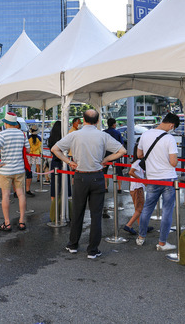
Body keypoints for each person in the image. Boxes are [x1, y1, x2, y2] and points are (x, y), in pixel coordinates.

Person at [52, 109, 126, 259]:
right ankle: (92, 250)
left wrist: (69, 162)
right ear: (98, 121)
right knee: (96, 215)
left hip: (80, 176)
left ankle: (73, 245)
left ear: (83, 120)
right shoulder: (103, 135)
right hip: (97, 177)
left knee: (78, 212)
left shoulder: (74, 135)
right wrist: (106, 160)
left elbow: (55, 149)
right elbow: (122, 150)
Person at [135, 112, 180, 251]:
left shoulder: (145, 135)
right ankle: (162, 243)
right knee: (167, 210)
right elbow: (173, 163)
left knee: (147, 208)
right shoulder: (169, 139)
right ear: (171, 125)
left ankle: (141, 237)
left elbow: (139, 155)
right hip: (168, 179)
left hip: (152, 178)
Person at [0, 112, 28, 232]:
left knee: (5, 196)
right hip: (19, 169)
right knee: (21, 194)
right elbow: (27, 149)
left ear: (6, 123)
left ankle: (7, 223)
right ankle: (22, 221)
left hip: (6, 169)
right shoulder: (22, 134)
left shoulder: (2, 134)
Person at [123, 146, 147, 235]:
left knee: (138, 208)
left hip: (136, 188)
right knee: (139, 209)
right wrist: (142, 180)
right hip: (138, 188)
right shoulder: (138, 162)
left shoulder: (136, 162)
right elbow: (131, 172)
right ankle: (129, 225)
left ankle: (142, 226)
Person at [47, 121, 71, 203]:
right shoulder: (64, 139)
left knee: (54, 184)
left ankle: (54, 206)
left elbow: (51, 151)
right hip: (64, 161)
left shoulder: (51, 138)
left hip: (54, 162)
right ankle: (65, 205)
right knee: (66, 184)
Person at [103, 118, 124, 193]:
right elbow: (121, 143)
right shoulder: (117, 132)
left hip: (106, 154)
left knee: (104, 171)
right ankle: (119, 188)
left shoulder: (104, 132)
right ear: (113, 124)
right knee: (118, 171)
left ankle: (105, 188)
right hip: (115, 153)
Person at [25, 126, 42, 197]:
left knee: (29, 166)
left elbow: (27, 146)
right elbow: (39, 147)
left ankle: (29, 176)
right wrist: (40, 153)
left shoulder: (28, 138)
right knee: (38, 166)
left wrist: (31, 151)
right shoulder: (39, 138)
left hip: (29, 154)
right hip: (37, 153)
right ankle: (38, 178)